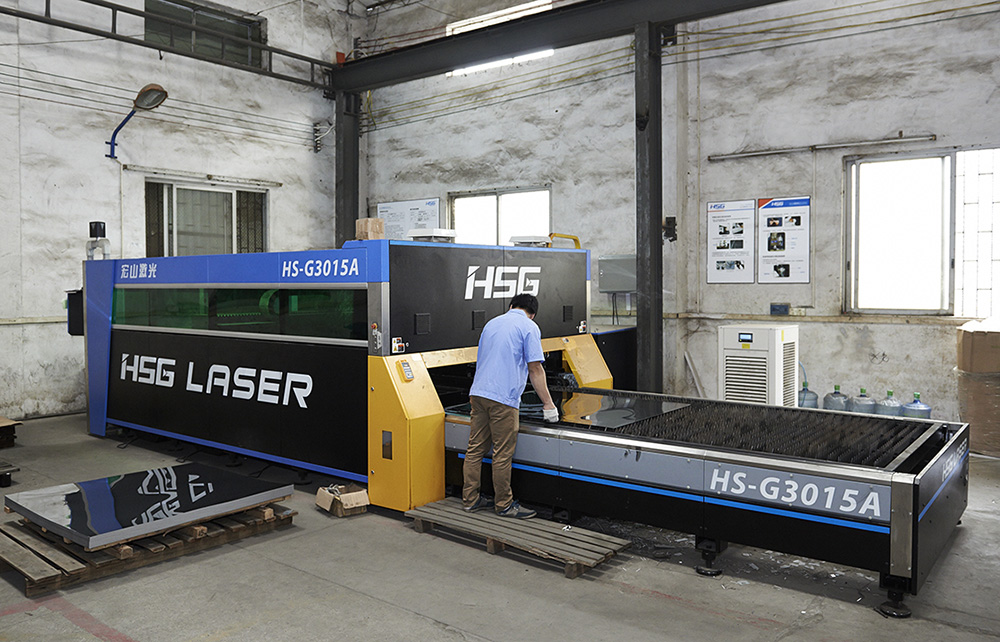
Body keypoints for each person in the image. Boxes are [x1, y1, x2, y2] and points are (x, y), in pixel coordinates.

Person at [463, 293, 558, 519]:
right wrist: (548, 404)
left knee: (475, 449)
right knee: (502, 453)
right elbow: (535, 368)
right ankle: (504, 505)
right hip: (503, 398)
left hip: (478, 393)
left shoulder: (492, 323)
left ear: (511, 305)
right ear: (532, 314)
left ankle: (470, 500)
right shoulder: (529, 327)